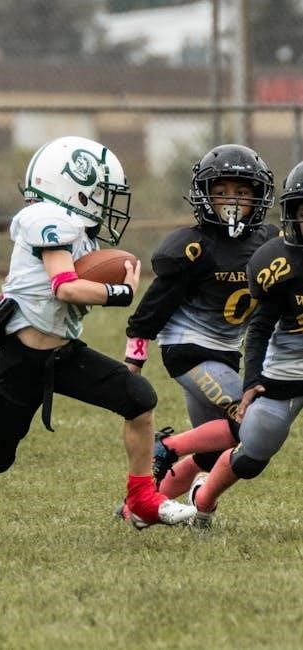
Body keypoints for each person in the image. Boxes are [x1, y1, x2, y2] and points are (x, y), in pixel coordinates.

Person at [0, 135, 196, 544]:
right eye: (99, 192)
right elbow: (65, 286)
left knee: (139, 399)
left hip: (62, 355)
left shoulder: (76, 230)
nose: (104, 203)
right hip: (23, 358)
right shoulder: (47, 218)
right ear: (72, 186)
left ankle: (142, 500)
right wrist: (120, 292)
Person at [119, 144, 278, 517]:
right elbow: (152, 308)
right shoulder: (193, 246)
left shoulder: (267, 242)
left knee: (212, 451)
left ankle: (134, 510)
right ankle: (167, 447)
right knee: (250, 418)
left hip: (225, 352)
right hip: (187, 349)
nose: (232, 201)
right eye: (222, 191)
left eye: (242, 192)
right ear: (205, 195)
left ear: (259, 196)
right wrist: (133, 361)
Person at [188, 160, 303, 523]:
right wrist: (252, 380)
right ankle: (204, 497)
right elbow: (260, 327)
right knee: (253, 454)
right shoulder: (279, 261)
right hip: (288, 370)